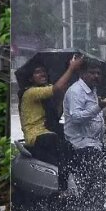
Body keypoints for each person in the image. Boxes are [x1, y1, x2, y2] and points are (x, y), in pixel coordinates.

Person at [19, 54, 83, 188]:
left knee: (72, 146)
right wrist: (71, 68)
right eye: (37, 72)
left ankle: (77, 185)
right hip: (37, 136)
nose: (42, 74)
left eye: (43, 71)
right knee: (63, 149)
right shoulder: (31, 93)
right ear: (31, 78)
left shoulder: (43, 96)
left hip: (47, 133)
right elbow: (56, 88)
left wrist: (60, 99)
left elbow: (56, 115)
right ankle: (62, 190)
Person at [63, 59, 106, 211]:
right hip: (80, 143)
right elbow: (76, 117)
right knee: (97, 174)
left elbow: (96, 117)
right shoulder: (76, 91)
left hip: (95, 143)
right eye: (91, 73)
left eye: (98, 73)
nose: (95, 76)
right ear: (82, 73)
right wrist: (98, 107)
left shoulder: (93, 90)